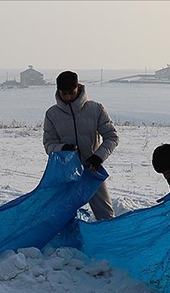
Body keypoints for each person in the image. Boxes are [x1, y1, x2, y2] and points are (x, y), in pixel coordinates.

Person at [43, 70, 119, 220]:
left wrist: (98, 157)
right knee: (60, 216)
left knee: (106, 216)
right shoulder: (51, 114)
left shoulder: (96, 109)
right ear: (58, 91)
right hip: (66, 172)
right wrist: (62, 149)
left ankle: (108, 241)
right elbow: (49, 144)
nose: (68, 97)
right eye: (64, 93)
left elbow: (112, 137)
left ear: (78, 87)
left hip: (92, 169)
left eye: (71, 92)